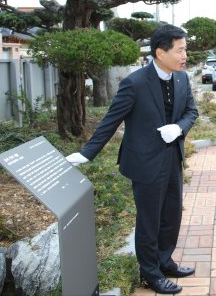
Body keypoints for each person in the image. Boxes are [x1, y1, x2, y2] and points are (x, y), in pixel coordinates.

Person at [66, 25, 199, 294]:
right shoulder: (135, 82)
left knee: (171, 215)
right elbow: (111, 120)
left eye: (185, 49)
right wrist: (86, 152)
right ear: (160, 52)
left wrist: (180, 128)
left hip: (172, 158)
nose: (185, 55)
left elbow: (191, 111)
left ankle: (164, 261)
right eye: (180, 49)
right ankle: (150, 273)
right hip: (145, 162)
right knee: (149, 220)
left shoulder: (182, 79)